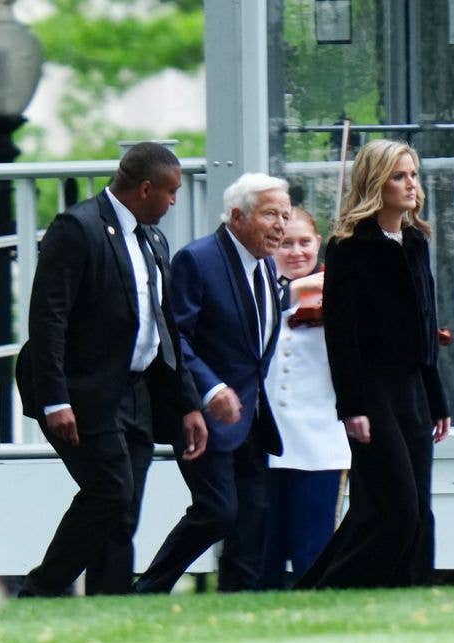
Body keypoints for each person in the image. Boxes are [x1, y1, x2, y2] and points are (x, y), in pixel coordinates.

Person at [15, 142, 207, 597]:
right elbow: (48, 318)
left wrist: (188, 403)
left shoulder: (154, 238)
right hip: (83, 393)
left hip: (137, 391)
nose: (174, 201)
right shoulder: (76, 228)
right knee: (110, 494)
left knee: (125, 510)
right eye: (171, 192)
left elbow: (166, 327)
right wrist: (55, 399)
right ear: (145, 188)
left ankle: (111, 602)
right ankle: (39, 591)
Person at [295, 139, 451, 590]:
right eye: (399, 176)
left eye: (413, 175)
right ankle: (330, 591)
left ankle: (410, 594)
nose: (411, 185)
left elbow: (426, 324)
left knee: (416, 506)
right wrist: (353, 406)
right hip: (373, 393)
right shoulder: (349, 247)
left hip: (414, 391)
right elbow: (342, 336)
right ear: (375, 182)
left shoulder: (416, 241)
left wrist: (437, 399)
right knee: (396, 507)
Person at [134, 172, 289, 594]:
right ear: (237, 216)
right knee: (218, 510)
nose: (281, 225)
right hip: (201, 417)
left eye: (285, 215)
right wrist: (209, 388)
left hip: (253, 419)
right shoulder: (198, 259)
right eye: (271, 214)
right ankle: (149, 588)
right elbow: (174, 336)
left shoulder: (269, 268)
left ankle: (238, 609)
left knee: (252, 521)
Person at [259, 206, 351, 589]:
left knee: (312, 546)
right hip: (268, 440)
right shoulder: (261, 292)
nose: (296, 252)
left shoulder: (338, 291)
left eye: (305, 242)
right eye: (285, 243)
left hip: (320, 441)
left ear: (319, 245)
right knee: (264, 547)